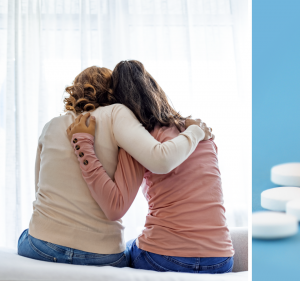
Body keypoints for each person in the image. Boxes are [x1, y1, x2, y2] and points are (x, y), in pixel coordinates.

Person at [18, 66, 212, 267]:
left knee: (26, 234)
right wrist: (194, 131)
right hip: (102, 253)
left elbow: (39, 191)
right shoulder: (117, 114)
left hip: (41, 246)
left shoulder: (50, 126)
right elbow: (159, 159)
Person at [66, 60, 234, 273]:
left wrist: (84, 147)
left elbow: (114, 207)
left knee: (122, 251)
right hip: (220, 258)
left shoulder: (138, 141)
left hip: (164, 257)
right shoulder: (202, 133)